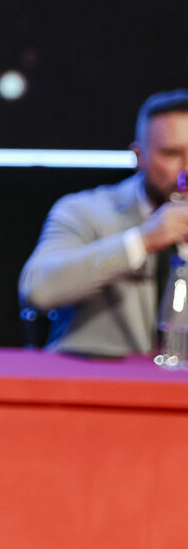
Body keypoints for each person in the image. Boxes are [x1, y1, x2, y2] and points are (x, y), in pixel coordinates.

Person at [19, 90, 188, 357]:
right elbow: (38, 291)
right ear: (139, 156)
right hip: (94, 378)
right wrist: (142, 242)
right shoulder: (84, 211)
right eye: (172, 153)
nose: (186, 170)